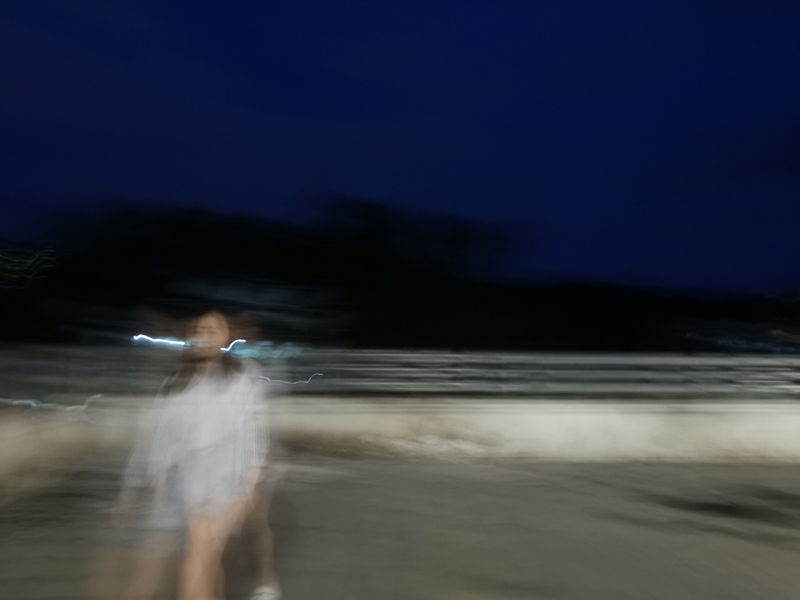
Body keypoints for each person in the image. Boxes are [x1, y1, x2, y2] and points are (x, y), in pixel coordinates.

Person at [115, 310, 280, 600]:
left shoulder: (242, 375)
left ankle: (262, 582)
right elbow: (163, 433)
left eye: (215, 328)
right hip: (191, 478)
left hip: (230, 477)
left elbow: (253, 427)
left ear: (227, 336)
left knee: (200, 556)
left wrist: (252, 475)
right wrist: (157, 474)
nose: (207, 334)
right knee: (205, 557)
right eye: (201, 329)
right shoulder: (178, 380)